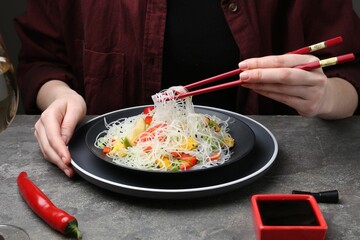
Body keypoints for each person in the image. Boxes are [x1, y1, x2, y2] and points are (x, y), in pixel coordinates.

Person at [14, 1, 360, 177]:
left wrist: (326, 97)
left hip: (264, 182)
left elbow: (352, 74)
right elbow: (41, 61)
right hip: (103, 185)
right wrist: (60, 96)